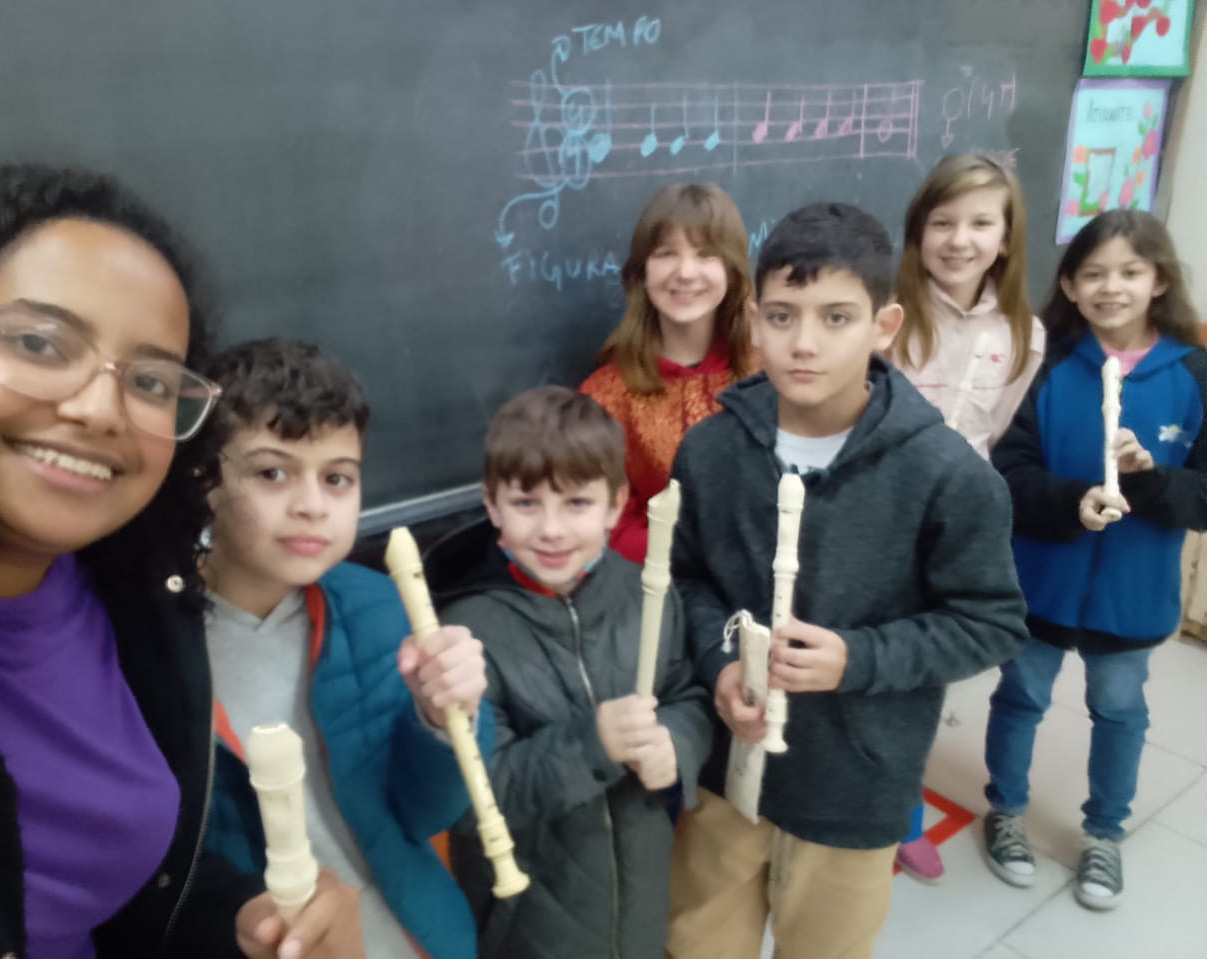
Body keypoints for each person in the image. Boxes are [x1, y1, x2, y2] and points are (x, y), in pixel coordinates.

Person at [0, 163, 359, 958]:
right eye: (37, 342)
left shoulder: (138, 597)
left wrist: (238, 923)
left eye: (153, 381)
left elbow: (124, 892)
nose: (100, 409)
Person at [665, 202, 1029, 959]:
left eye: (836, 318)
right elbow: (686, 581)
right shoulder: (710, 451)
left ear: (885, 325)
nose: (804, 343)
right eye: (782, 316)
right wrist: (719, 663)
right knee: (699, 940)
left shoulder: (947, 476)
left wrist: (857, 659)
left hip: (855, 788)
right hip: (725, 769)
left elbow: (990, 623)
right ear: (753, 322)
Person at [198, 337, 494, 959]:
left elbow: (423, 812)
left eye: (337, 479)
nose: (312, 506)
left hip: (413, 939)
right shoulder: (150, 644)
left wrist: (445, 721)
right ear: (205, 479)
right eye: (272, 473)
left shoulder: (377, 607)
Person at [426, 386, 713, 959]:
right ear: (492, 505)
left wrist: (676, 743)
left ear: (615, 504)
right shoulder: (463, 636)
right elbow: (477, 795)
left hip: (639, 906)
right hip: (528, 926)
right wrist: (594, 743)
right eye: (526, 503)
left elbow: (687, 695)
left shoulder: (647, 594)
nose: (552, 530)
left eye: (577, 503)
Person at [983, 210, 1207, 911]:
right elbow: (1008, 471)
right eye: (1094, 273)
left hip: (1133, 592)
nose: (1112, 287)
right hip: (1041, 578)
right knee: (1021, 696)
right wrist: (1071, 501)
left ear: (1159, 281)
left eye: (1130, 272)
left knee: (1119, 709)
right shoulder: (1043, 363)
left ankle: (1104, 830)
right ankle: (1006, 810)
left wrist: (1151, 480)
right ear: (1070, 286)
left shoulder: (1195, 372)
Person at [889, 153, 1045, 882]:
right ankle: (856, 798)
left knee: (924, 673)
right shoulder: (885, 314)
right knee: (862, 661)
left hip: (953, 531)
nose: (959, 240)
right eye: (942, 222)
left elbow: (991, 431)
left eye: (981, 223)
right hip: (876, 518)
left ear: (1006, 238)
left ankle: (903, 811)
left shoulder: (1024, 335)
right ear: (918, 230)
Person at [580, 182, 754, 563]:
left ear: (732, 270)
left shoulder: (771, 372)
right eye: (666, 253)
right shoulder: (605, 397)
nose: (685, 272)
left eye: (706, 254)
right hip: (662, 584)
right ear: (642, 270)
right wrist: (694, 555)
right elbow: (606, 524)